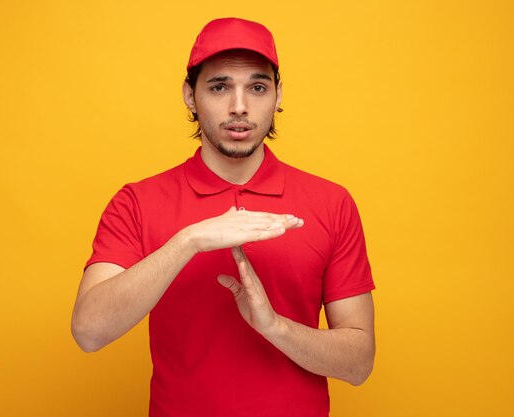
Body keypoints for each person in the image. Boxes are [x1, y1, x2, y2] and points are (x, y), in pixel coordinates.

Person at [71, 17, 376, 417]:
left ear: (278, 94)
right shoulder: (137, 202)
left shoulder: (331, 203)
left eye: (257, 87)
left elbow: (359, 363)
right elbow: (89, 332)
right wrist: (188, 240)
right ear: (190, 95)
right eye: (219, 87)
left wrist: (275, 328)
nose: (239, 106)